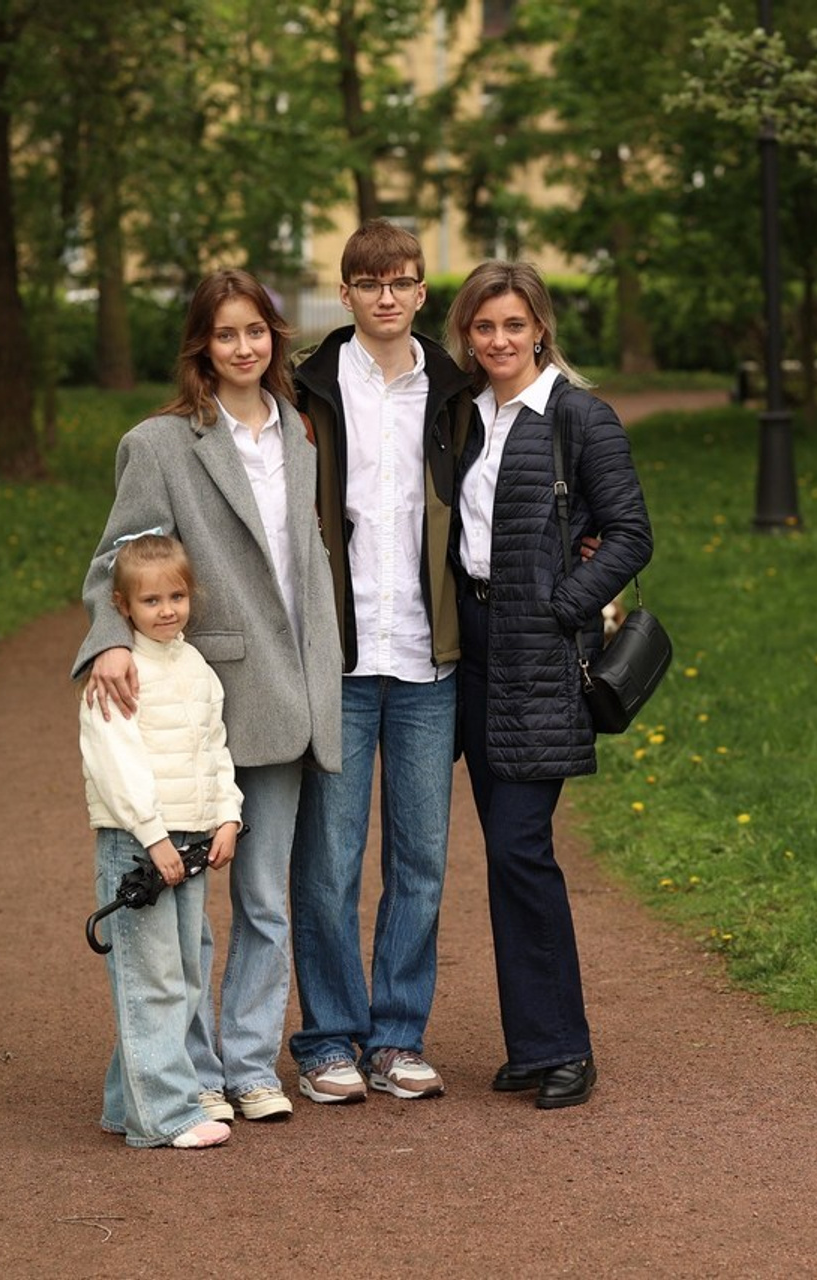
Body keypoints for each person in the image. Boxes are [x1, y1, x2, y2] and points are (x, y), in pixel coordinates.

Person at [72, 269, 341, 1124]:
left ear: (275, 338)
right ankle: (190, 1075)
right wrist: (110, 641)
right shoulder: (160, 444)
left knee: (266, 899)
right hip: (202, 705)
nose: (243, 348)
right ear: (202, 345)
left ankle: (251, 1062)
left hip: (290, 691)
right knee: (186, 916)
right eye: (225, 335)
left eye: (255, 332)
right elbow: (119, 558)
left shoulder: (299, 431)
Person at [445, 261, 653, 1110]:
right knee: (502, 854)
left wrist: (561, 606)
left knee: (521, 848)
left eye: (514, 326)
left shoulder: (577, 416)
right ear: (468, 335)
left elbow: (631, 533)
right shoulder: (463, 419)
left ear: (541, 330)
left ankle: (566, 1045)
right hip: (468, 648)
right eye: (485, 327)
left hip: (537, 651)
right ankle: (531, 1043)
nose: (499, 341)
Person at [287, 219, 473, 1103]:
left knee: (421, 860)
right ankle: (328, 1037)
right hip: (343, 658)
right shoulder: (309, 387)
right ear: (348, 291)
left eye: (400, 281)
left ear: (421, 289)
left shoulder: (455, 387)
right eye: (368, 283)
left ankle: (397, 1036)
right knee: (327, 858)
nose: (386, 296)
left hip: (430, 658)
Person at [80, 534, 243, 1149]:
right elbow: (114, 764)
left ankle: (126, 1104)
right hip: (138, 843)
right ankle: (166, 1116)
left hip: (191, 837)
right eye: (151, 600)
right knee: (152, 979)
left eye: (177, 595)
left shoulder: (194, 664)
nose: (167, 609)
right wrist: (152, 839)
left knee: (185, 973)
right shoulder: (117, 671)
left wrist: (226, 814)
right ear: (123, 606)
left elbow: (213, 746)